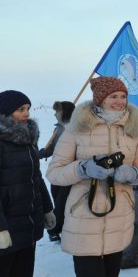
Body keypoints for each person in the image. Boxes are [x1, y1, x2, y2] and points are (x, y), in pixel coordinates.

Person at [46, 77, 138, 277]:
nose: (119, 101)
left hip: (119, 216)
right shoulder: (76, 128)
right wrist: (83, 168)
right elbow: (54, 173)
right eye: (113, 96)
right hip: (83, 218)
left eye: (123, 96)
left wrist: (133, 173)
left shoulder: (136, 130)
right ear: (99, 98)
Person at [0, 90, 55, 277]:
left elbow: (36, 178)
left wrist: (47, 208)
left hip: (27, 223)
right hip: (6, 225)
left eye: (28, 108)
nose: (27, 113)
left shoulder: (27, 139)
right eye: (20, 109)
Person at [38, 100, 76, 242]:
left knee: (62, 204)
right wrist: (41, 153)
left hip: (70, 172)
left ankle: (55, 228)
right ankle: (58, 228)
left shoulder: (76, 129)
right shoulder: (58, 129)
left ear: (65, 112)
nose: (55, 114)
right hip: (56, 172)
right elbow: (51, 148)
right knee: (57, 199)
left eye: (57, 111)